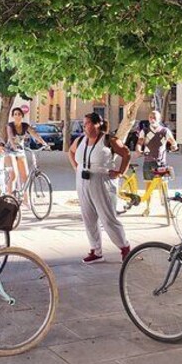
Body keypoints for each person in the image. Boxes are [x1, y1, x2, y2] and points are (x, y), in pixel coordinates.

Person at [67, 112, 131, 264]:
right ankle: (96, 250)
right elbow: (70, 151)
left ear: (97, 124)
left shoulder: (109, 140)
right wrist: (77, 168)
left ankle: (125, 247)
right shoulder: (81, 140)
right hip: (82, 181)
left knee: (107, 218)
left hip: (102, 181)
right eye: (84, 124)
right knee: (88, 217)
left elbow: (126, 154)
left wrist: (121, 172)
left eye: (87, 123)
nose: (84, 127)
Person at [5, 107, 49, 195]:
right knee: (14, 176)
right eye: (15, 114)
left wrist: (44, 143)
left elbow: (35, 134)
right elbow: (10, 137)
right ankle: (10, 199)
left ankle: (26, 201)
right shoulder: (10, 126)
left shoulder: (25, 126)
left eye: (19, 114)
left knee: (25, 176)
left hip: (20, 152)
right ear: (13, 116)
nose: (17, 116)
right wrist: (14, 147)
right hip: (10, 152)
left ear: (22, 116)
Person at [136, 110, 178, 181]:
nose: (152, 119)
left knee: (163, 183)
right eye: (150, 117)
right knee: (148, 184)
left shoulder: (165, 131)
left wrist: (174, 146)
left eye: (154, 117)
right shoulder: (145, 131)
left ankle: (164, 192)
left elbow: (173, 142)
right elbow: (139, 142)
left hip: (161, 162)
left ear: (159, 119)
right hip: (148, 162)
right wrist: (138, 150)